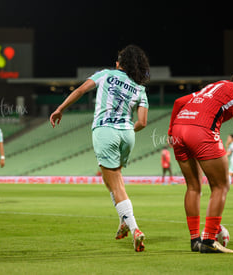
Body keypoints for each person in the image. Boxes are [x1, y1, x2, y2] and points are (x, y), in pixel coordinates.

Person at [49, 45, 150, 252]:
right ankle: (123, 221)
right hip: (127, 133)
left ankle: (135, 228)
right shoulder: (139, 87)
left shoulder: (105, 74)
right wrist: (125, 129)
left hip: (105, 130)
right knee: (116, 180)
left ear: (118, 63)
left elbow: (80, 90)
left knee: (114, 184)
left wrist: (60, 109)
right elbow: (142, 122)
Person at [168, 72, 233, 253]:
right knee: (221, 186)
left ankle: (195, 240)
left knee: (193, 187)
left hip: (180, 128)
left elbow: (179, 102)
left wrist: (171, 130)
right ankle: (209, 240)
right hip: (201, 130)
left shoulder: (214, 86)